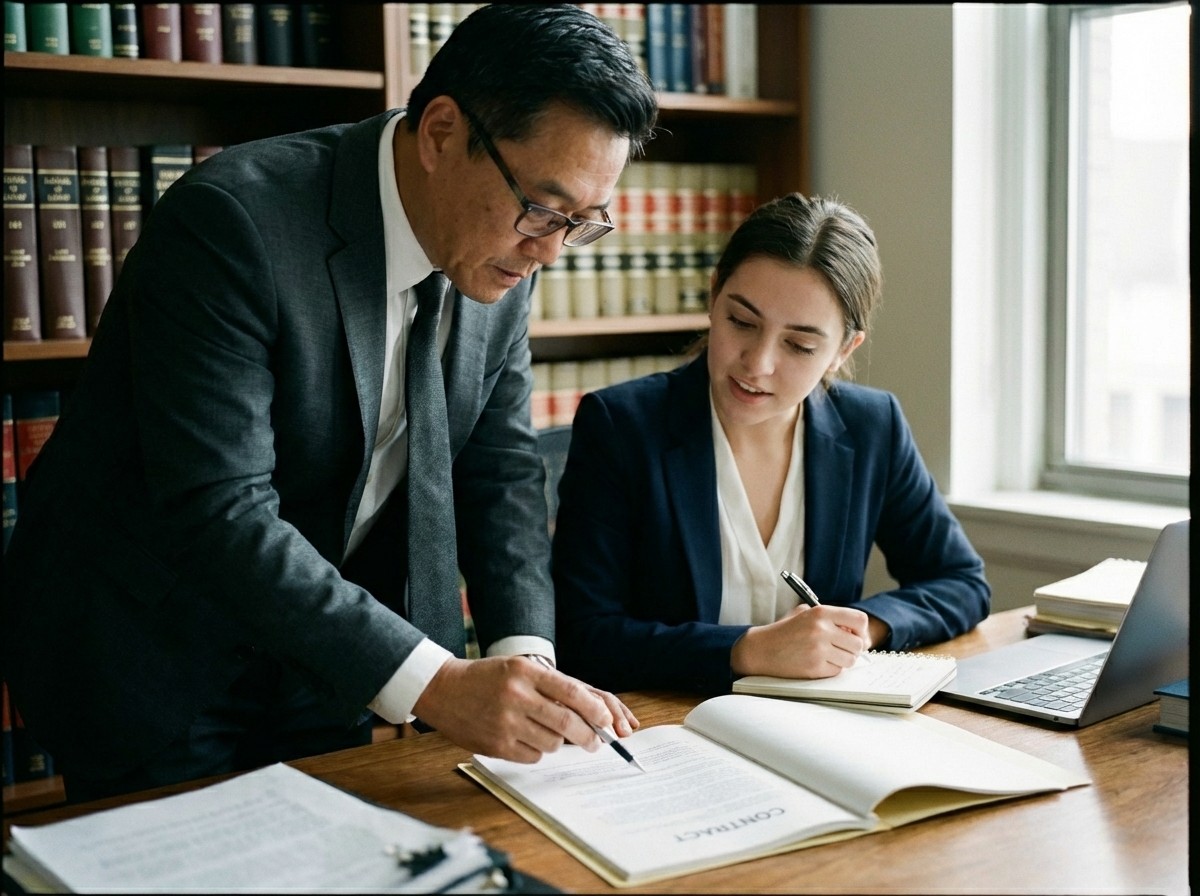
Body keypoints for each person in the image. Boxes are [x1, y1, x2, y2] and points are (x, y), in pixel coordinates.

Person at [1, 4, 658, 801]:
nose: (551, 249)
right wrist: (438, 684)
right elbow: (219, 508)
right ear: (441, 133)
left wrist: (527, 663)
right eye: (545, 210)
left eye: (582, 223)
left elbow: (500, 471)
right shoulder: (233, 223)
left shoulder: (500, 248)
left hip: (322, 655)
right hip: (152, 651)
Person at [552, 193, 990, 693]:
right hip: (668, 721)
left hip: (814, 722)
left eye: (799, 345)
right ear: (714, 296)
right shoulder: (621, 425)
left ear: (843, 349)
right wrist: (746, 650)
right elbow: (583, 636)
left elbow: (961, 582)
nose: (757, 364)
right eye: (742, 322)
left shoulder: (872, 426)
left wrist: (856, 631)